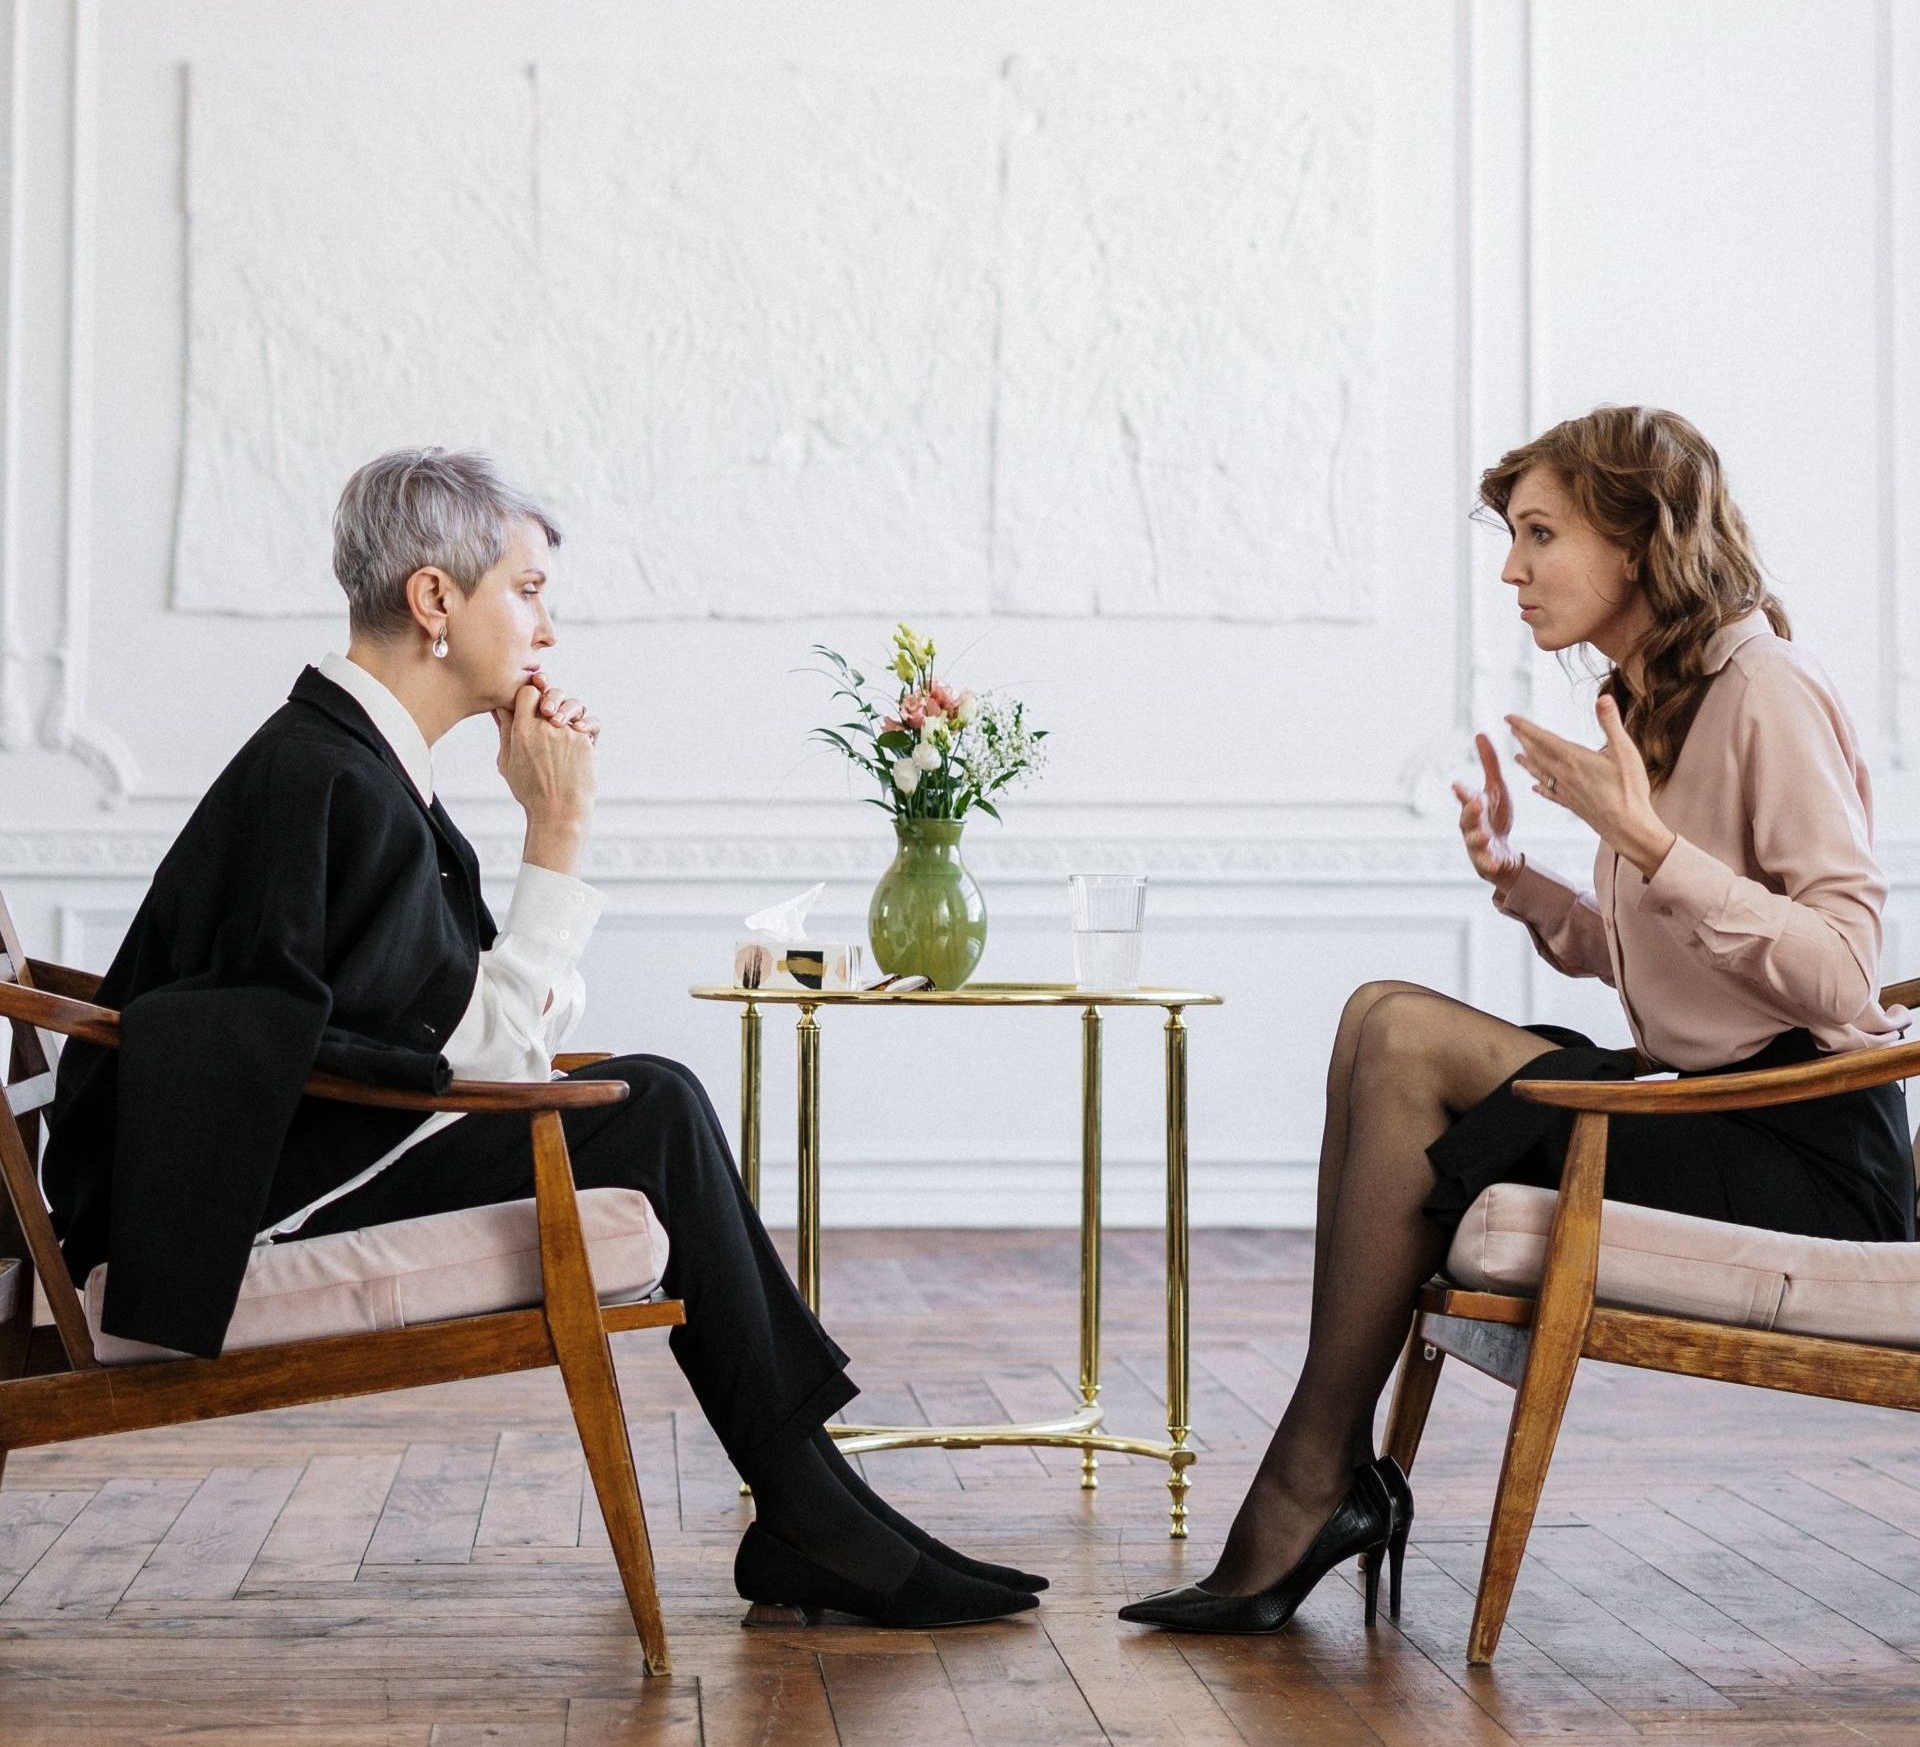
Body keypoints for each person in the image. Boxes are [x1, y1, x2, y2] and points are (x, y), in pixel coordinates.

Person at [42, 447, 1044, 1629]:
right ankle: (812, 1508)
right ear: (434, 601)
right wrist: (558, 828)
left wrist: (535, 842)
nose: (548, 629)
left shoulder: (348, 760)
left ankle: (813, 1502)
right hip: (239, 1197)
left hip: (273, 1146)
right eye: (527, 589)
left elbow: (463, 1025)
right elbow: (485, 1058)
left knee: (646, 1093)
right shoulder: (337, 777)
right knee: (654, 1101)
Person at [1120, 405, 1914, 1634]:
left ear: (1641, 541)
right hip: (1705, 1105)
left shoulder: (1768, 688)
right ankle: (1318, 1471)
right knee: (1381, 1009)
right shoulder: (1654, 694)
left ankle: (1312, 1478)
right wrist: (1523, 882)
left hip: (1803, 1149)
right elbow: (1677, 968)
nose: (1512, 567)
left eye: (1540, 533)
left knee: (1400, 1035)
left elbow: (1847, 971)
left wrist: (1645, 836)